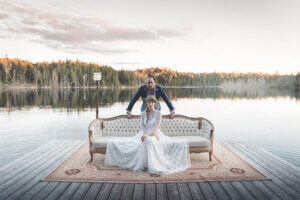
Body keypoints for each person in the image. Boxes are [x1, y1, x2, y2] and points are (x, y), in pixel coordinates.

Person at [105, 95, 191, 175]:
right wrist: (145, 134)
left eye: (152, 102)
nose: (150, 104)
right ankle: (145, 163)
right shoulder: (143, 113)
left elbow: (156, 127)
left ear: (154, 103)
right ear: (146, 104)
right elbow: (142, 127)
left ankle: (152, 165)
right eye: (148, 102)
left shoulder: (158, 113)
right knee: (137, 142)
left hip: (155, 134)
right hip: (143, 134)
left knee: (151, 140)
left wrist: (149, 134)